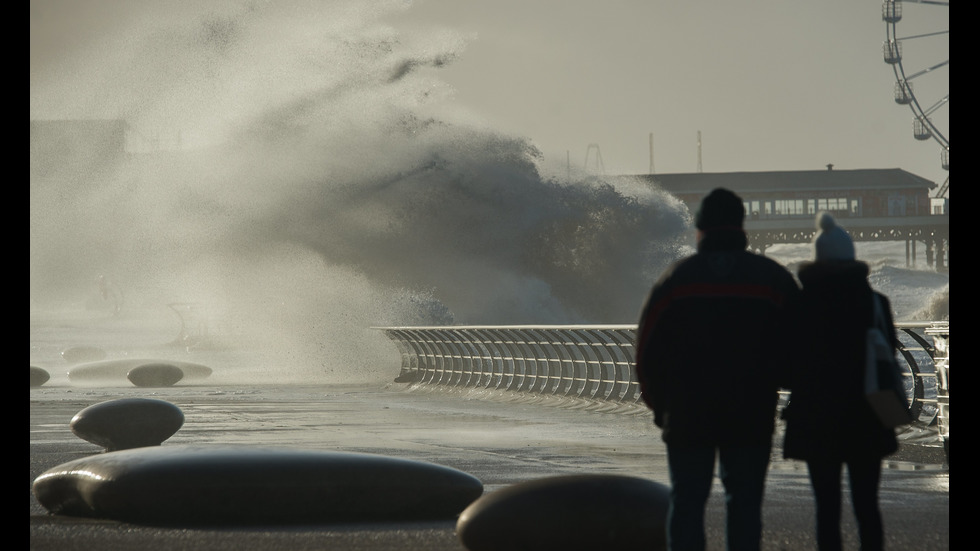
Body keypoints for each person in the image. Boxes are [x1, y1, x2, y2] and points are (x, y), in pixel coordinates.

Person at [635, 188, 800, 551]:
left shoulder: (677, 278)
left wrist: (659, 404)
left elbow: (648, 348)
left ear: (700, 229)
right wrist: (781, 383)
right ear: (741, 226)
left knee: (687, 502)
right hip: (751, 411)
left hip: (687, 413)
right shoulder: (771, 278)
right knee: (743, 504)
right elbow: (801, 345)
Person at [781, 212, 899, 551]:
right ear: (852, 257)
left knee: (827, 508)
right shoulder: (876, 303)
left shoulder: (801, 304)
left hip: (817, 418)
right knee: (867, 506)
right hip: (869, 413)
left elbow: (788, 364)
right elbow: (887, 355)